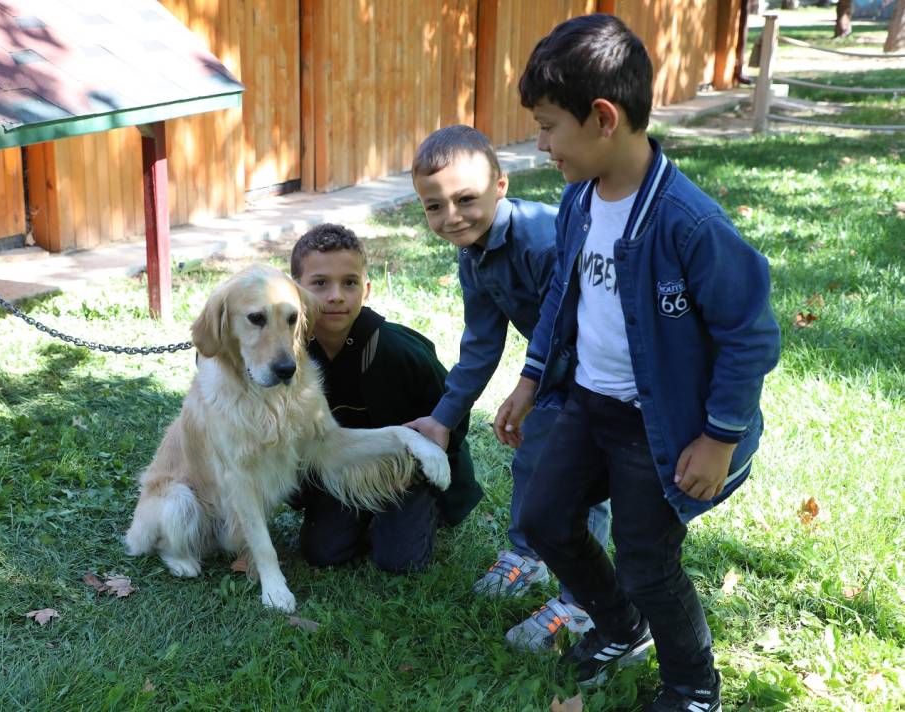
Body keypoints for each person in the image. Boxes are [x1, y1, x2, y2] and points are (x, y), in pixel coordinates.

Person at [496, 15, 781, 711]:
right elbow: (564, 293)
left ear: (602, 118)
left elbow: (751, 334)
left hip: (661, 428)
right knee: (544, 518)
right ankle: (621, 627)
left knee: (648, 563)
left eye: (547, 126)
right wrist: (533, 378)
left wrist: (719, 438)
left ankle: (693, 687)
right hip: (590, 404)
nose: (540, 145)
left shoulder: (690, 224)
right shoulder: (578, 202)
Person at [405, 124, 611, 631]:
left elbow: (568, 325)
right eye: (434, 206)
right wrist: (442, 418)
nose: (450, 217)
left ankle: (584, 602)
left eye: (465, 199)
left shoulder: (542, 243)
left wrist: (529, 387)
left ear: (501, 186)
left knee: (580, 479)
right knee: (532, 463)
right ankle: (528, 554)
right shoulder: (472, 251)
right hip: (559, 375)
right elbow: (481, 343)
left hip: (603, 374)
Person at [289, 223, 483, 574]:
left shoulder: (399, 350)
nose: (335, 296)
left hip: (404, 470)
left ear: (366, 289)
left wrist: (424, 465)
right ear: (295, 290)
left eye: (349, 283)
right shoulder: (289, 354)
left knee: (400, 561)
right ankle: (357, 513)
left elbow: (451, 411)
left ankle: (414, 511)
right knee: (323, 552)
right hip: (341, 469)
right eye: (320, 283)